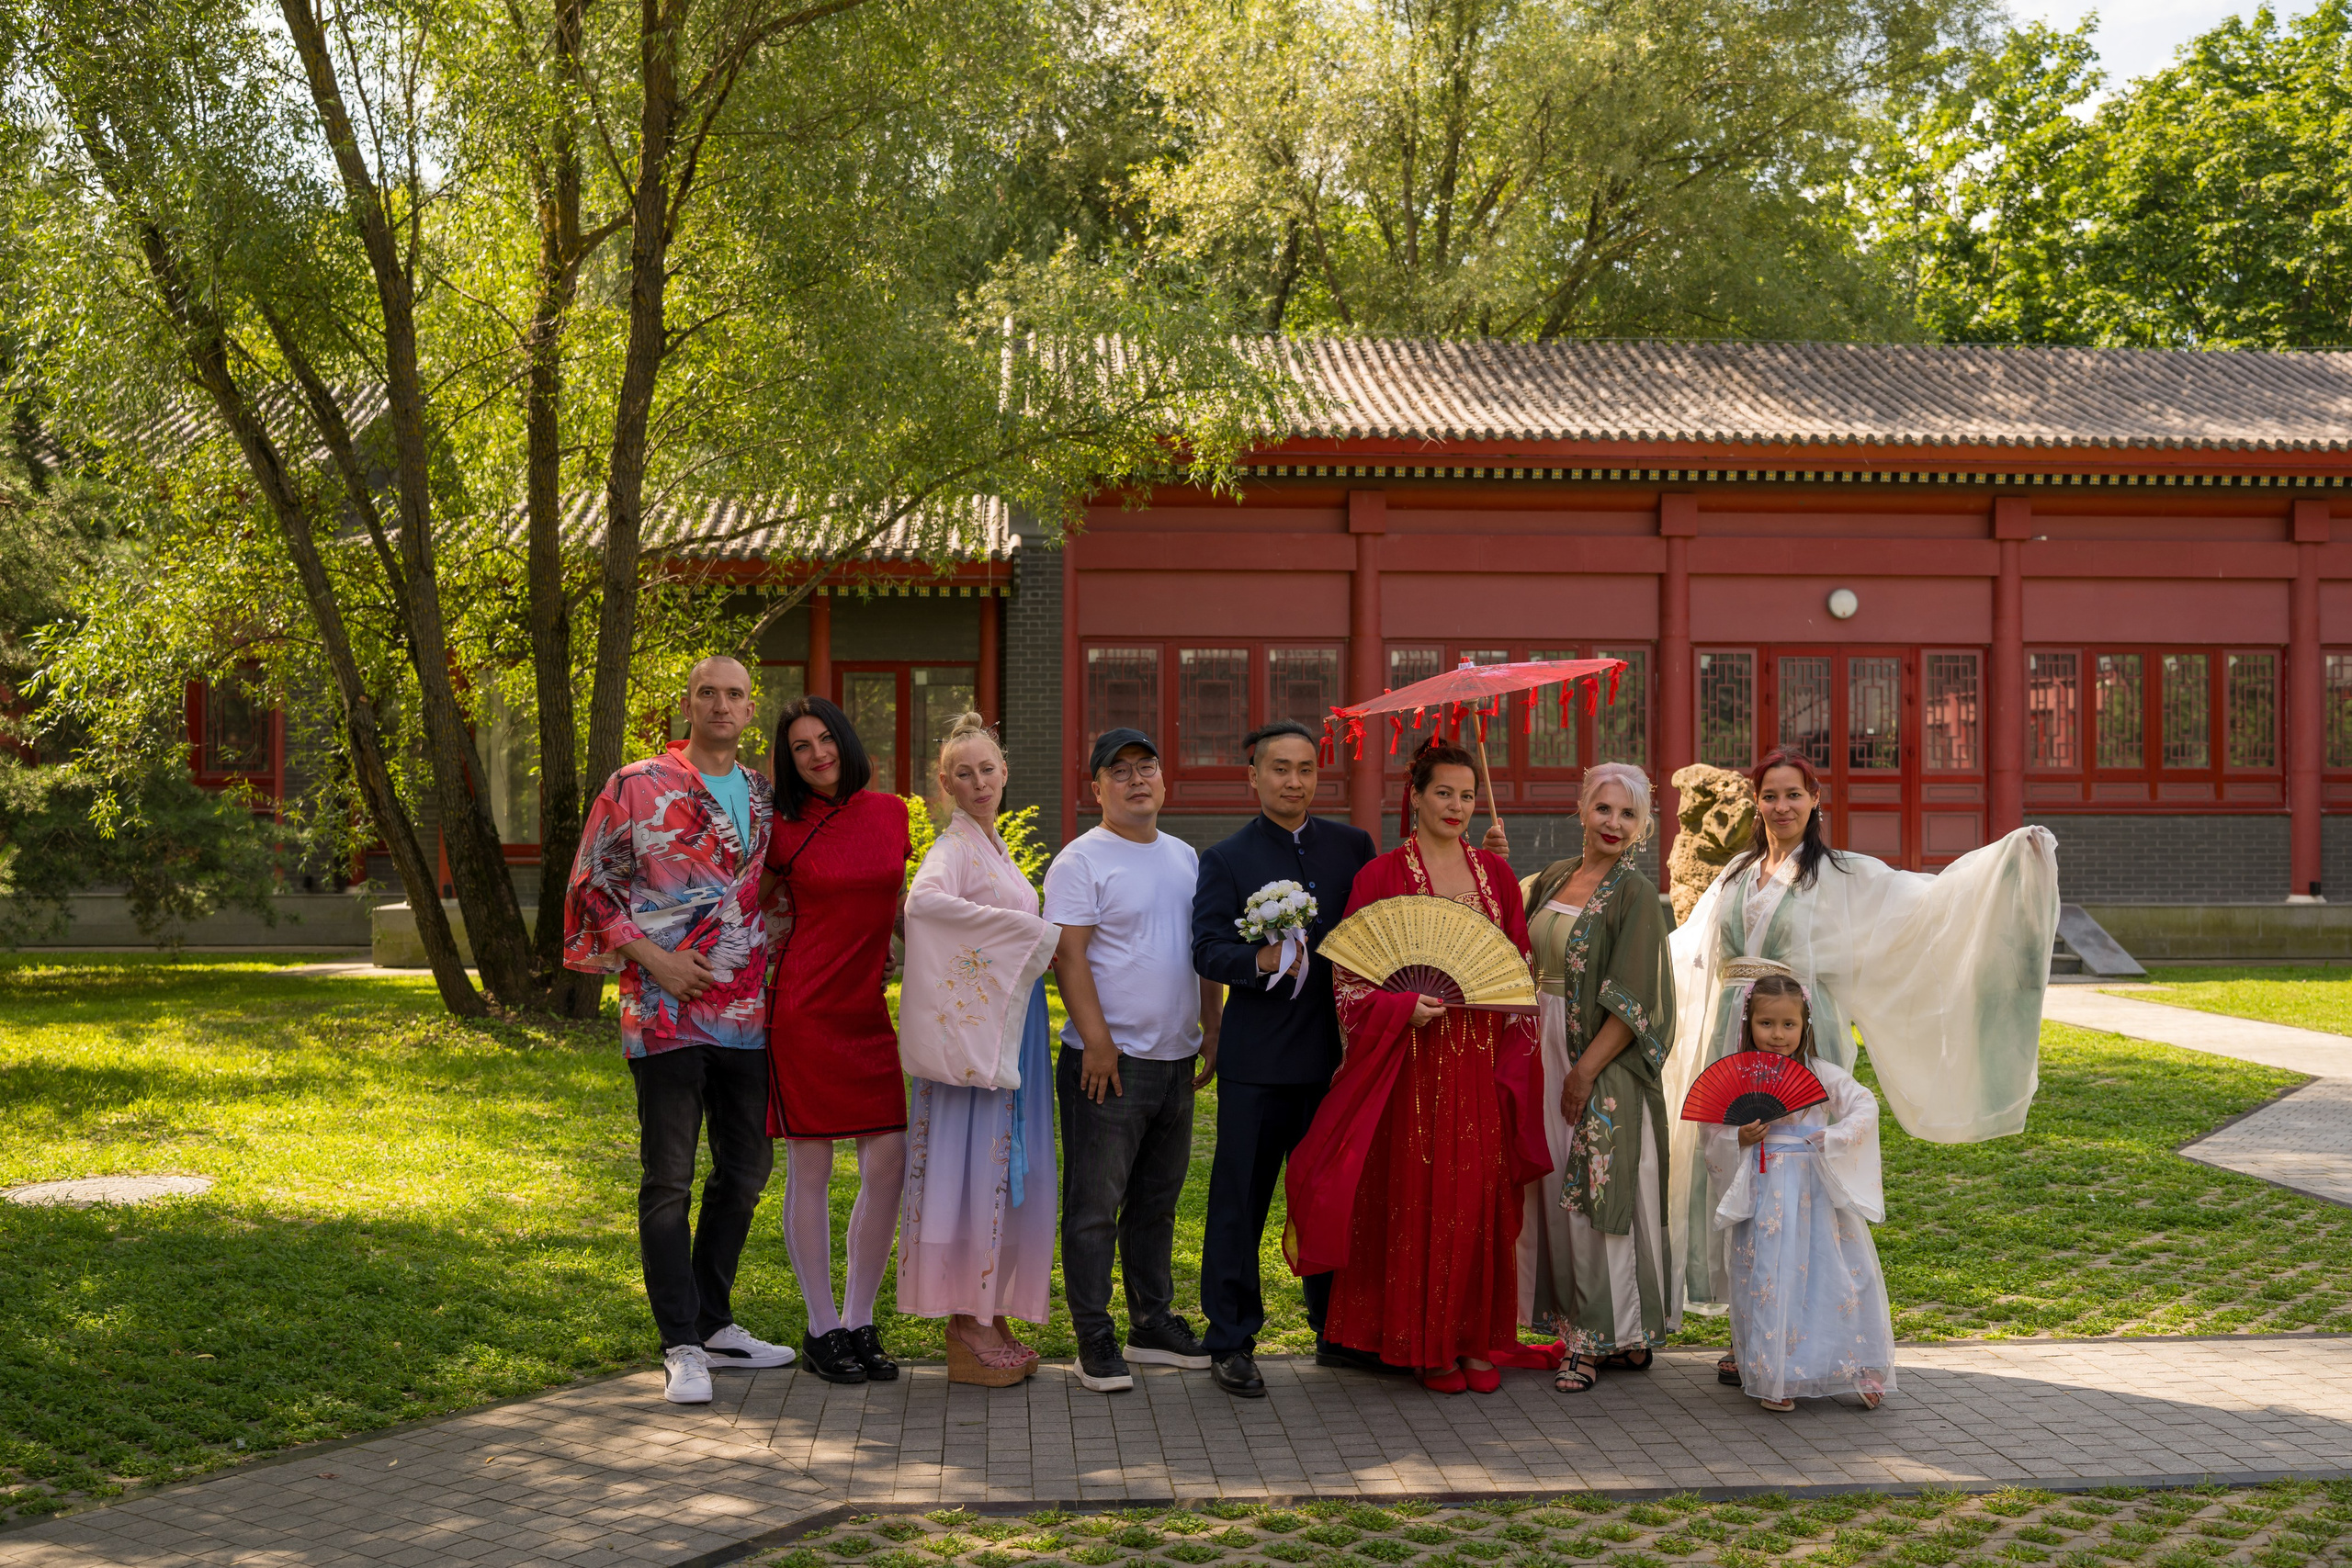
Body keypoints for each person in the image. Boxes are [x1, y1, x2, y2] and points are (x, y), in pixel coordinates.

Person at [1665, 749, 2059, 1315]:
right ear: (1757, 801)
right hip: (1731, 1041)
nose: (1781, 806)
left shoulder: (1840, 874)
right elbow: (1688, 950)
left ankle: (1801, 1309)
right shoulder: (1734, 875)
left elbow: (1923, 900)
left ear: (1815, 800)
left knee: (1794, 1169)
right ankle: (1747, 1321)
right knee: (1733, 1166)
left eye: (1793, 795)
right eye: (1770, 795)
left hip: (1802, 1036)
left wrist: (2006, 863)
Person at [1283, 735, 1549, 1394]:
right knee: (1419, 1196)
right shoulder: (1381, 876)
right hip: (1410, 1066)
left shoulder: (1497, 877)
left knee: (1478, 1200)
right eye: (1444, 793)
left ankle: (1476, 1336)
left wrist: (1491, 999)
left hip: (1480, 1064)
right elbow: (1349, 975)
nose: (1457, 805)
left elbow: (1517, 970)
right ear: (1417, 796)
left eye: (1467, 795)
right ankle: (1424, 1342)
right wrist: (1402, 1006)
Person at [564, 655, 796, 1405]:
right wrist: (657, 962)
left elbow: (775, 889)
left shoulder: (764, 795)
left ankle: (715, 1320)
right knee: (668, 1178)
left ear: (750, 710)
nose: (721, 705)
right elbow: (589, 886)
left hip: (744, 1011)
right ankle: (681, 1343)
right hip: (663, 1010)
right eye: (708, 693)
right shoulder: (637, 785)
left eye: (735, 695)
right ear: (687, 704)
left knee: (747, 1169)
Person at [1189, 720, 1378, 1397]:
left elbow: (1382, 925)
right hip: (1257, 1063)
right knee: (1240, 1202)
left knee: (1331, 1198)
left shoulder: (1353, 846)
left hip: (1335, 1062)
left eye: (1305, 768)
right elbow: (1207, 949)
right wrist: (1261, 957)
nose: (1294, 780)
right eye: (1279, 768)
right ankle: (1231, 1338)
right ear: (1254, 775)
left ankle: (1338, 1328)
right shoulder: (1228, 857)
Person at [1046, 727, 1224, 1393]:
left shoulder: (1184, 857)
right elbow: (1070, 955)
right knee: (1095, 1205)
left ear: (1163, 780)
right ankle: (1095, 1332)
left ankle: (1151, 1322)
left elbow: (1205, 947)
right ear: (1096, 789)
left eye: (1145, 766)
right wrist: (1096, 1040)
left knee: (1156, 1202)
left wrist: (1213, 1025)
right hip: (1108, 1064)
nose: (1136, 779)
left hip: (1176, 1060)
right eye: (1118, 772)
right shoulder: (1081, 861)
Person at [896, 713, 1059, 1385]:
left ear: (1004, 772)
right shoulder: (953, 850)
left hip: (1006, 1027)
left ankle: (988, 1307)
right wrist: (1024, 929)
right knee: (968, 1170)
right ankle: (966, 1316)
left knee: (1001, 1169)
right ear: (946, 784)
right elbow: (923, 906)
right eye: (963, 772)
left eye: (987, 768)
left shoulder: (992, 847)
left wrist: (1016, 935)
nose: (979, 780)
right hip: (974, 1039)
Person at [762, 696, 911, 1386]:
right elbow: (755, 907)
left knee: (889, 1166)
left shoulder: (891, 814)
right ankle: (822, 1326)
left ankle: (859, 1317)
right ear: (788, 762)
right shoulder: (781, 828)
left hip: (867, 1013)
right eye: (801, 747)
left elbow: (901, 906)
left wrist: (913, 953)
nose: (818, 754)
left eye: (826, 739)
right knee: (812, 1170)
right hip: (804, 1011)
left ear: (846, 741)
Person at [1518, 762, 1679, 1395]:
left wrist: (1586, 1069)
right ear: (1581, 809)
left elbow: (1635, 993)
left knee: (1595, 1193)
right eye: (1604, 808)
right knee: (1553, 1185)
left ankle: (1598, 1337)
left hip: (1601, 1058)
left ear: (1642, 826)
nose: (1615, 823)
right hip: (1541, 1041)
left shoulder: (1634, 893)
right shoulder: (1554, 877)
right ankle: (1592, 1329)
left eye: (1629, 814)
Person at [1702, 971, 1894, 1412]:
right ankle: (1778, 1373)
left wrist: (1838, 1137)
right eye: (1766, 1023)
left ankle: (1858, 1364)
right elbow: (1714, 1132)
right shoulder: (1736, 1078)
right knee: (1773, 1276)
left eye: (1789, 1024)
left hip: (1817, 1190)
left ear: (1805, 1025)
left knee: (1840, 1273)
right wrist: (1739, 1138)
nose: (1777, 1035)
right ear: (1748, 1023)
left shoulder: (1822, 1075)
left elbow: (1864, 1104)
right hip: (1766, 1189)